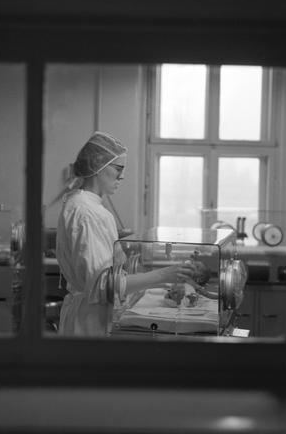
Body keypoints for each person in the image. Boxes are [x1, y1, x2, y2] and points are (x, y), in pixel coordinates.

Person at [56, 131, 197, 336]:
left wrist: (158, 277)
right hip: (90, 324)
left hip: (89, 316)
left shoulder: (82, 204)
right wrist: (163, 274)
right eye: (118, 168)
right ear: (98, 166)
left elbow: (104, 277)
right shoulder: (89, 213)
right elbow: (103, 286)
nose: (122, 176)